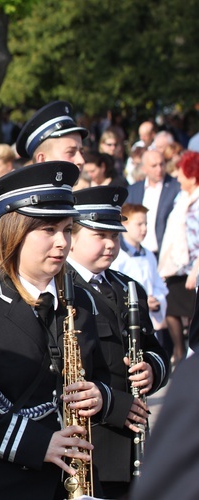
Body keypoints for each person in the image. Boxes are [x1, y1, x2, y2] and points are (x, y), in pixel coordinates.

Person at [0, 162, 111, 499]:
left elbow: (101, 374)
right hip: (0, 479)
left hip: (75, 478)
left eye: (68, 229)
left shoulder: (82, 300)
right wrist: (37, 443)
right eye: (49, 230)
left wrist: (100, 394)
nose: (63, 243)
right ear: (15, 232)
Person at [66, 186, 170, 498]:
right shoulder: (61, 290)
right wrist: (116, 405)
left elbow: (156, 348)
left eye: (115, 236)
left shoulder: (129, 288)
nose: (111, 244)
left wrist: (153, 368)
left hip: (132, 442)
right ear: (72, 238)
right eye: (100, 235)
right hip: (91, 444)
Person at [0, 100, 88, 282]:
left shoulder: (79, 193)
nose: (81, 160)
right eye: (71, 152)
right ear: (41, 158)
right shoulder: (6, 195)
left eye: (81, 151)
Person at [129, 352, 199, 500]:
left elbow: (157, 351)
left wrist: (152, 370)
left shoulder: (192, 372)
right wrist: (114, 403)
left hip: (133, 449)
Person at [157, 150, 199, 364]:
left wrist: (196, 270)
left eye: (181, 173)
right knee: (172, 308)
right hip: (176, 266)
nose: (177, 178)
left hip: (194, 267)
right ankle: (181, 354)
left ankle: (193, 358)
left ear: (192, 175)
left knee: (193, 314)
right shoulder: (181, 198)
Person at [111, 204, 169, 333]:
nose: (144, 229)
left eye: (146, 224)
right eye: (139, 224)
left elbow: (158, 285)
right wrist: (141, 302)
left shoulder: (149, 255)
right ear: (124, 224)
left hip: (149, 319)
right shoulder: (118, 256)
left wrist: (155, 300)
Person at [126, 150, 181, 256]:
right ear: (144, 169)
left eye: (161, 164)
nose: (159, 169)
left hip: (167, 254)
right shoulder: (133, 191)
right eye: (154, 166)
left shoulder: (176, 187)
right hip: (138, 254)